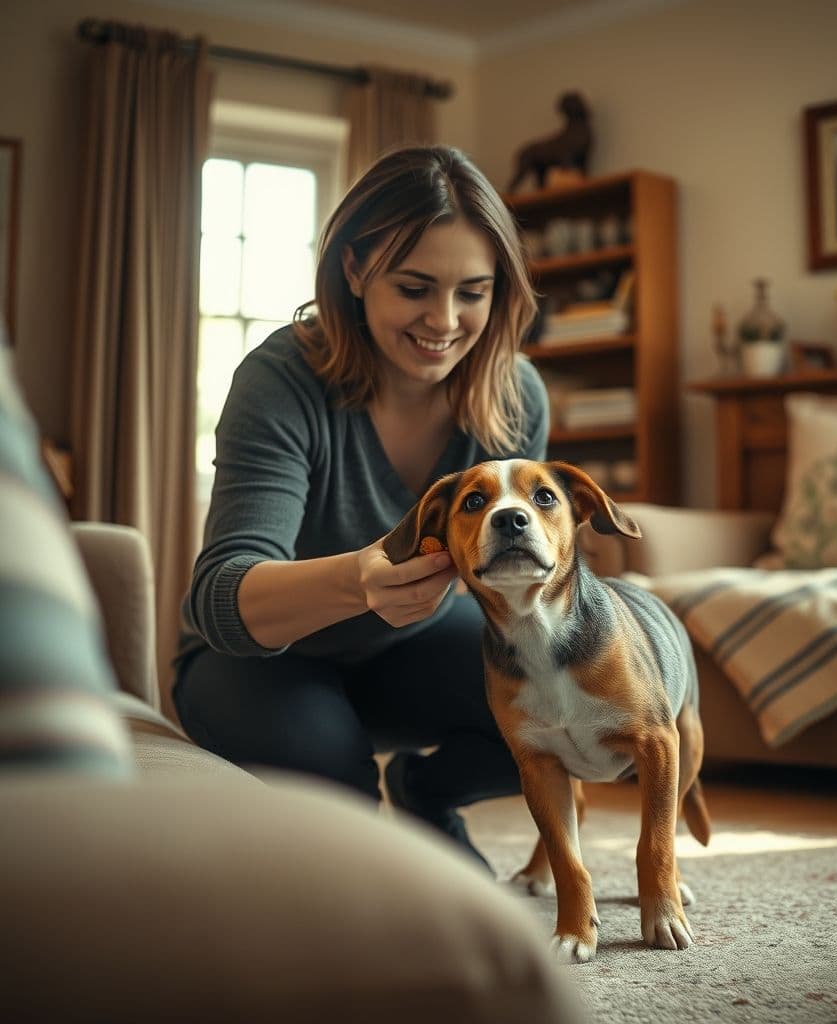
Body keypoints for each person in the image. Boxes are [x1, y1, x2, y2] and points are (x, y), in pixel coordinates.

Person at [172, 145, 548, 871]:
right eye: (414, 287)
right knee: (339, 801)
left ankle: (427, 790)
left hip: (416, 649)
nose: (444, 320)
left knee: (580, 716)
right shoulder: (281, 380)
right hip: (262, 658)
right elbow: (220, 596)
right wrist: (358, 582)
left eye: (473, 292)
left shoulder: (515, 394)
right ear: (354, 271)